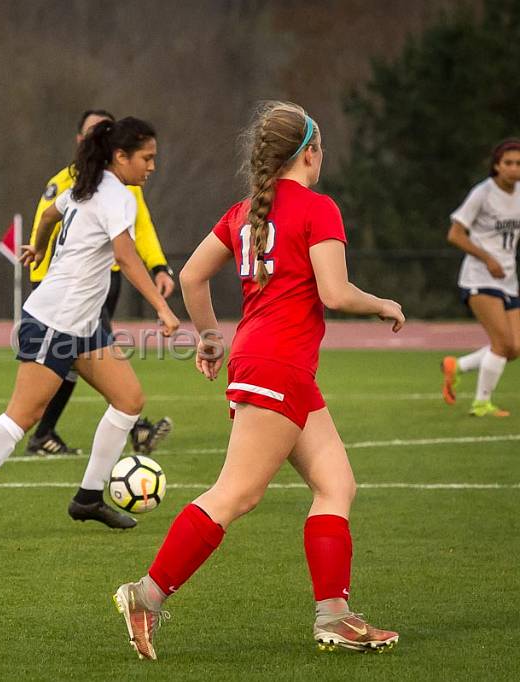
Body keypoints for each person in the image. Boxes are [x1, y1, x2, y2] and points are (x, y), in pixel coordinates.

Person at [112, 102, 405, 660]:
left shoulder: (245, 210)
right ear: (310, 152)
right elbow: (335, 294)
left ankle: (334, 617)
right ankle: (146, 596)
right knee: (237, 494)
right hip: (281, 365)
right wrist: (384, 303)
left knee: (336, 486)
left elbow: (194, 275)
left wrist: (210, 338)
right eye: (320, 150)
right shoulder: (318, 208)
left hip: (272, 363)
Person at [0, 117, 181, 539]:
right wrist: (162, 307)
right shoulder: (116, 194)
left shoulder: (89, 185)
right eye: (147, 158)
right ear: (120, 156)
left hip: (82, 323)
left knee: (129, 400)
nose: (152, 167)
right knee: (23, 415)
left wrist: (40, 245)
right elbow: (127, 254)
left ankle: (87, 498)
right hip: (55, 319)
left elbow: (49, 213)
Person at [25, 109, 175, 457]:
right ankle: (125, 428)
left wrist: (159, 267)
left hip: (106, 282)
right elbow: (45, 219)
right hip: (68, 289)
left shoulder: (126, 186)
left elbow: (143, 230)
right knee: (79, 362)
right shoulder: (68, 181)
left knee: (84, 359)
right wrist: (40, 266)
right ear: (82, 140)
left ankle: (50, 436)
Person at [440, 139, 520, 417]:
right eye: (508, 163)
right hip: (480, 277)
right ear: (497, 166)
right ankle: (481, 404)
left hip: (508, 278)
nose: (513, 168)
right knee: (503, 344)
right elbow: (455, 234)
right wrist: (487, 258)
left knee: (514, 348)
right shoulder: (483, 193)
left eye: (518, 163)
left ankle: (457, 367)